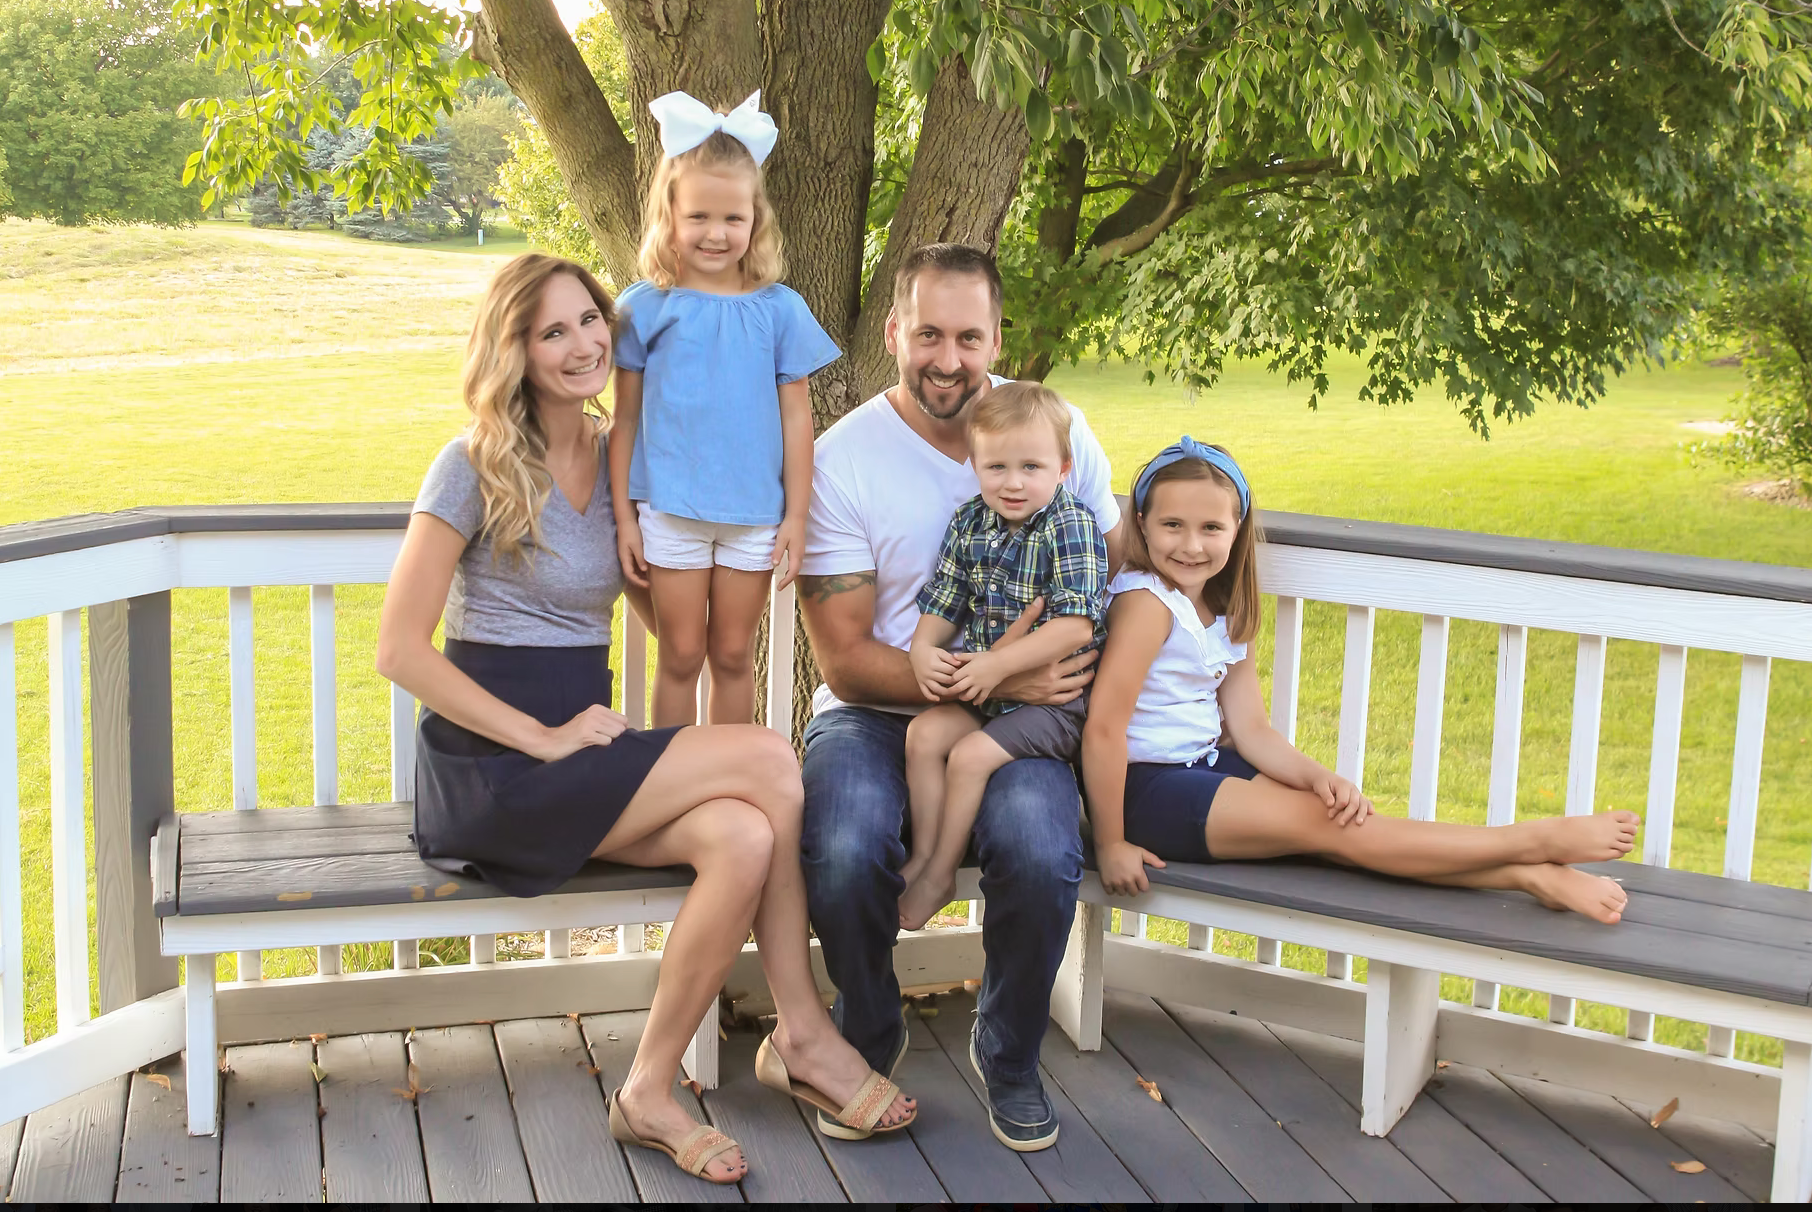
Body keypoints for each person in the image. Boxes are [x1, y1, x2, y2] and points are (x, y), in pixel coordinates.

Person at [377, 253, 912, 1187]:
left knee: (745, 835)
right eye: (552, 331)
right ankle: (803, 1032)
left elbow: (661, 623)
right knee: (773, 763)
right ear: (514, 350)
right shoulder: (470, 464)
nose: (583, 342)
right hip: (495, 766)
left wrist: (745, 543)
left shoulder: (625, 453)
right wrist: (538, 736)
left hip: (580, 749)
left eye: (590, 319)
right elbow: (399, 650)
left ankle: (649, 1090)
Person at [797, 243, 1123, 1153]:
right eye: (928, 333)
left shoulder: (1057, 434)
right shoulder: (844, 458)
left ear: (997, 337)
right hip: (876, 713)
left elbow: (1105, 572)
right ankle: (868, 1029)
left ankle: (1009, 1052)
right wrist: (1001, 669)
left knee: (1039, 846)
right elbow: (848, 662)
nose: (948, 358)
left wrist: (1035, 680)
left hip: (1017, 715)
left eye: (968, 336)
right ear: (894, 331)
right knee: (843, 842)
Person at [1082, 436, 1641, 921]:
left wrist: (1317, 776)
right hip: (1143, 791)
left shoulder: (1225, 609)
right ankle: (1535, 840)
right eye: (1172, 525)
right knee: (1336, 833)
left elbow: (1251, 728)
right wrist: (1110, 843)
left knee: (1339, 829)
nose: (1192, 544)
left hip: (1204, 768)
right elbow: (1104, 728)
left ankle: (1528, 876)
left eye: (1210, 527)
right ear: (1141, 524)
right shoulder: (1146, 604)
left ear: (1237, 530)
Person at [608, 90, 839, 726]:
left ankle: (733, 784)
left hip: (753, 515)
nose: (717, 233)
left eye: (733, 219)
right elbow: (623, 421)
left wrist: (796, 516)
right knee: (680, 656)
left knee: (733, 654)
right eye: (700, 217)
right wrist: (626, 519)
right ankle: (674, 788)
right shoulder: (645, 308)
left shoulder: (778, 309)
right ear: (669, 216)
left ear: (755, 220)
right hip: (670, 509)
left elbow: (798, 419)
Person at [899, 382, 1108, 932]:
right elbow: (947, 596)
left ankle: (942, 873)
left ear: (1063, 467)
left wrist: (994, 666)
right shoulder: (971, 522)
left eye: (1031, 468)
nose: (1013, 483)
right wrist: (923, 647)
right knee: (923, 736)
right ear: (974, 463)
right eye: (997, 468)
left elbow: (1075, 624)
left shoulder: (1073, 525)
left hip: (1057, 704)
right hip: (992, 693)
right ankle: (924, 855)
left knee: (968, 756)